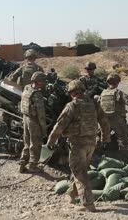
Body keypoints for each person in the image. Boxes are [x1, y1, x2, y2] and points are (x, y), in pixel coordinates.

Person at [45, 80, 110, 212]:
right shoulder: (93, 104)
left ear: (72, 93)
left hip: (77, 144)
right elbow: (104, 122)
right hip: (91, 143)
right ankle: (71, 194)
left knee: (79, 172)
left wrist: (50, 141)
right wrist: (105, 138)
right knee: (81, 169)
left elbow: (60, 125)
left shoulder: (72, 105)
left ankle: (88, 204)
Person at [99, 73, 128, 156]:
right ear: (118, 82)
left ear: (108, 82)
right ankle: (124, 156)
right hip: (117, 119)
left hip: (104, 119)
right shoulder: (118, 92)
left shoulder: (103, 93)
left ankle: (102, 153)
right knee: (123, 137)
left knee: (104, 137)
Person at [19, 72, 47, 173]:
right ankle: (33, 165)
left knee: (26, 141)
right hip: (33, 121)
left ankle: (23, 160)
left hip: (25, 117)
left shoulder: (27, 88)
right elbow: (41, 115)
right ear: (39, 81)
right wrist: (44, 130)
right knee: (35, 143)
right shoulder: (37, 94)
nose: (44, 83)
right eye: (43, 81)